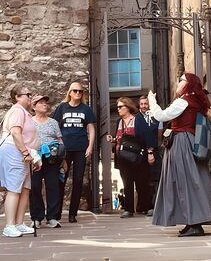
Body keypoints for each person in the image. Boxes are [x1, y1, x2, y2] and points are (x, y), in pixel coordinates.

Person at [148, 73, 211, 237]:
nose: (178, 83)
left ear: (189, 84)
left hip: (182, 143)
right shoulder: (194, 102)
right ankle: (191, 222)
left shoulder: (183, 101)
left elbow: (161, 116)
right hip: (190, 142)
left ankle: (194, 224)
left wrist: (152, 100)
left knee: (183, 182)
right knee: (192, 181)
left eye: (182, 80)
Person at [52, 82, 96, 223]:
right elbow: (54, 126)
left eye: (80, 91)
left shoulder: (86, 109)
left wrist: (90, 146)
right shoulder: (62, 108)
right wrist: (58, 144)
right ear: (70, 92)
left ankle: (72, 213)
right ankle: (56, 213)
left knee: (78, 181)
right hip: (64, 149)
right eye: (75, 91)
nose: (78, 93)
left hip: (80, 148)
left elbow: (91, 129)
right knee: (61, 180)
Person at [0, 84, 41, 237]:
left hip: (23, 154)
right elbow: (16, 133)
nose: (30, 97)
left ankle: (18, 223)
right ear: (17, 97)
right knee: (14, 188)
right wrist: (25, 153)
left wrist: (31, 155)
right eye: (27, 94)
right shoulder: (17, 111)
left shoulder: (24, 112)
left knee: (24, 189)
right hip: (15, 152)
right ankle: (9, 225)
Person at [106, 97, 155, 218]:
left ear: (127, 107)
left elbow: (147, 135)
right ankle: (128, 209)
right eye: (117, 107)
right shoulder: (119, 122)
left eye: (120, 107)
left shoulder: (138, 119)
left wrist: (150, 152)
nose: (118, 109)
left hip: (137, 156)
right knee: (127, 183)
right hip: (122, 157)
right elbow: (121, 139)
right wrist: (113, 139)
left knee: (141, 182)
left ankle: (147, 206)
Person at [30, 94, 64, 228]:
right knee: (35, 187)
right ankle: (36, 217)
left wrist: (63, 160)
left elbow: (60, 141)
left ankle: (52, 217)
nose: (45, 105)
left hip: (52, 157)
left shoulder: (53, 122)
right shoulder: (29, 122)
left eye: (46, 103)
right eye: (41, 103)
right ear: (34, 107)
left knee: (53, 186)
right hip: (35, 158)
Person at [138, 95, 163, 216]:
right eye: (141, 104)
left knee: (155, 179)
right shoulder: (137, 118)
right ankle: (145, 205)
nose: (143, 106)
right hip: (140, 152)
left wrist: (152, 150)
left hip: (153, 150)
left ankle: (154, 205)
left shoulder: (156, 116)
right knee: (143, 180)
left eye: (145, 104)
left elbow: (158, 135)